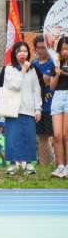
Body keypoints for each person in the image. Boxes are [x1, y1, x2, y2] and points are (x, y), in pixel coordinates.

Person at [4, 42, 42, 175]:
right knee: (12, 136)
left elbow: (36, 90)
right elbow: (14, 85)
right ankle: (13, 164)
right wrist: (23, 70)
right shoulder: (9, 69)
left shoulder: (32, 69)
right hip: (12, 108)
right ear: (14, 53)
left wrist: (38, 108)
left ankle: (29, 163)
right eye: (19, 51)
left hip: (28, 108)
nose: (23, 54)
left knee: (29, 136)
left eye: (25, 51)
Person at [32, 36, 55, 166]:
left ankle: (59, 163)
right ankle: (44, 165)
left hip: (52, 106)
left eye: (43, 47)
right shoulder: (33, 64)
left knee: (55, 137)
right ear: (35, 49)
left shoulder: (53, 63)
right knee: (41, 137)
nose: (41, 50)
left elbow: (48, 80)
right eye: (38, 48)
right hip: (38, 107)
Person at [50, 37, 68, 178]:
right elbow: (52, 86)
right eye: (62, 49)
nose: (64, 51)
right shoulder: (56, 63)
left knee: (66, 134)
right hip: (57, 96)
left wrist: (64, 73)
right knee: (57, 135)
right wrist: (56, 73)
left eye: (67, 48)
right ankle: (60, 166)